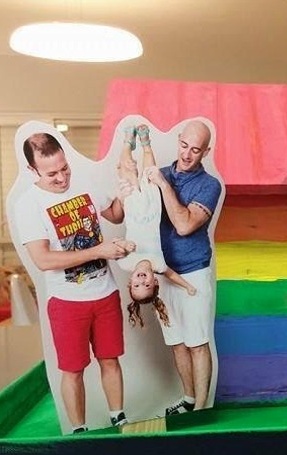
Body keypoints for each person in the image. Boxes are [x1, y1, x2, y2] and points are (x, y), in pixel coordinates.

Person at [14, 132, 130, 433]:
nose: (62, 177)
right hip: (67, 303)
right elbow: (43, 260)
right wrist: (99, 251)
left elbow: (116, 216)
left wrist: (125, 192)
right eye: (52, 173)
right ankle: (79, 431)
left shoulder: (85, 185)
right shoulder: (28, 205)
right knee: (73, 369)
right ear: (32, 170)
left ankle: (119, 419)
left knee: (110, 360)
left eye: (64, 168)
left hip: (106, 294)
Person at [146, 120, 222, 416]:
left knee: (197, 343)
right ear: (178, 140)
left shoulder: (209, 185)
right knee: (177, 342)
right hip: (163, 273)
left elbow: (184, 225)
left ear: (206, 152)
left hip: (194, 272)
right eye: (184, 146)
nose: (187, 154)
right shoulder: (160, 173)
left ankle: (201, 410)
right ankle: (189, 399)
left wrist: (163, 186)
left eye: (195, 150)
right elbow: (131, 211)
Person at [114, 125, 197, 329]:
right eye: (147, 285)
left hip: (133, 207)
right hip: (152, 208)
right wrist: (188, 286)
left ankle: (127, 143)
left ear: (130, 282)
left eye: (137, 285)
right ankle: (146, 144)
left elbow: (114, 244)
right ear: (155, 281)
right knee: (150, 173)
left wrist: (123, 244)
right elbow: (172, 275)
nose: (142, 280)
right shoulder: (158, 265)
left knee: (127, 171)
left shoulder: (126, 263)